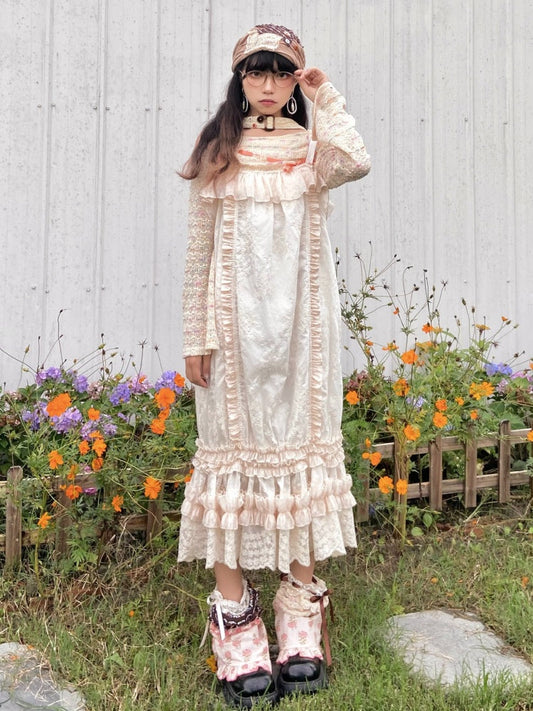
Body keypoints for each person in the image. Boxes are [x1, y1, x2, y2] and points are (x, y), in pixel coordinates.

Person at [178, 23, 370, 708]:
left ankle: (299, 610)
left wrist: (325, 95)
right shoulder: (219, 152)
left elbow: (355, 160)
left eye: (280, 72)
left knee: (298, 457)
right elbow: (198, 252)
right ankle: (234, 616)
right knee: (231, 455)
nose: (267, 84)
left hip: (302, 337)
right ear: (240, 80)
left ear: (293, 80)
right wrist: (195, 335)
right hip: (231, 335)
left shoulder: (312, 152)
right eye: (255, 72)